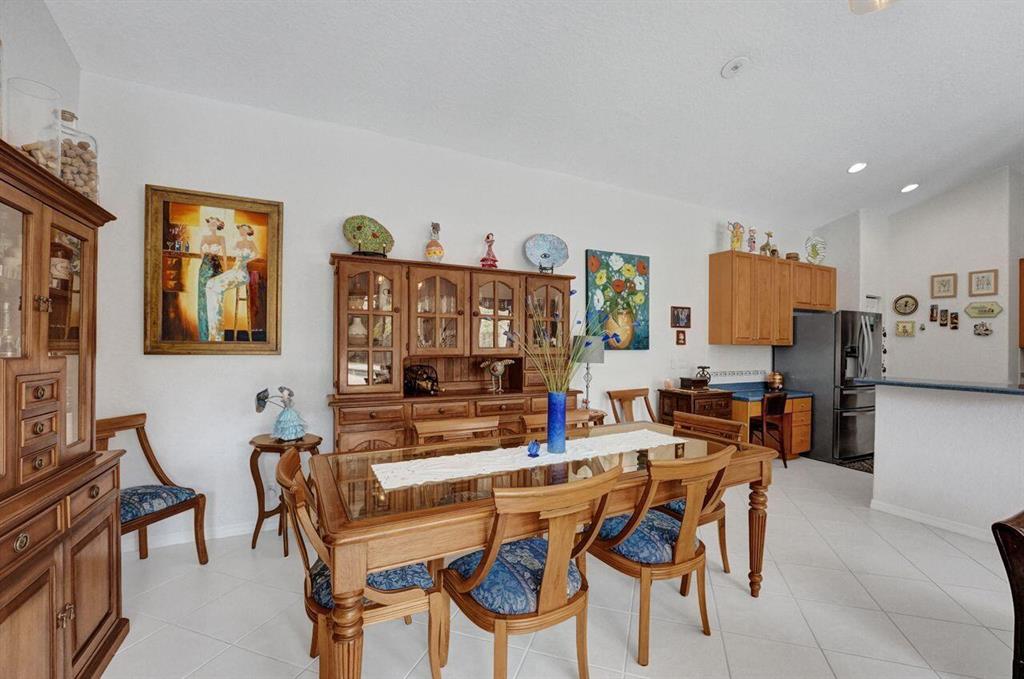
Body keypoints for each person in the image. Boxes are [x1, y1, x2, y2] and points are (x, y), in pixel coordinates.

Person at [205, 223, 257, 341]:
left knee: (217, 288)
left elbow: (256, 254)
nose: (241, 231)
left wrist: (246, 260)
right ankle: (214, 331)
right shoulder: (237, 243)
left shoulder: (251, 243)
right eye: (240, 229)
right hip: (234, 270)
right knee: (210, 284)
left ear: (248, 231)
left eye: (244, 229)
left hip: (242, 274)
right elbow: (231, 254)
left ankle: (217, 334)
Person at [196, 216, 226, 341]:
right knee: (203, 300)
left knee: (216, 301)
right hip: (204, 269)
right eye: (210, 223)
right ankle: (204, 336)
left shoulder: (221, 238)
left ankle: (216, 335)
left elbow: (224, 256)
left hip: (216, 268)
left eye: (214, 223)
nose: (212, 225)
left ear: (218, 225)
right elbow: (201, 252)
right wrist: (205, 263)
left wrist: (225, 272)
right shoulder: (204, 237)